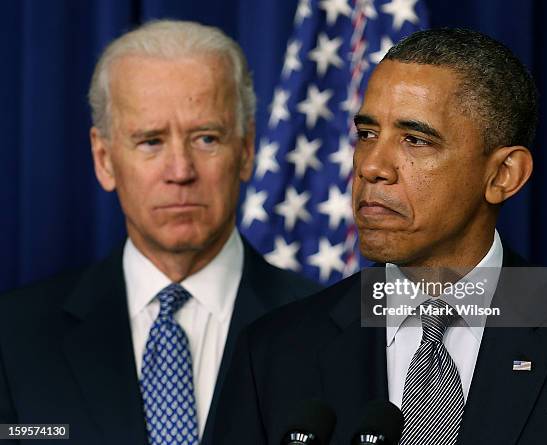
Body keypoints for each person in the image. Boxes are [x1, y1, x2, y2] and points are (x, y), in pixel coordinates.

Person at [213, 29, 547, 444]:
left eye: (415, 140)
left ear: (503, 175)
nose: (372, 167)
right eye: (367, 134)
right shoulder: (273, 352)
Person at [0, 20, 320, 445]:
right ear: (104, 159)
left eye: (206, 138)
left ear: (246, 152)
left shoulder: (327, 329)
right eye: (150, 141)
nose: (180, 171)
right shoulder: (14, 337)